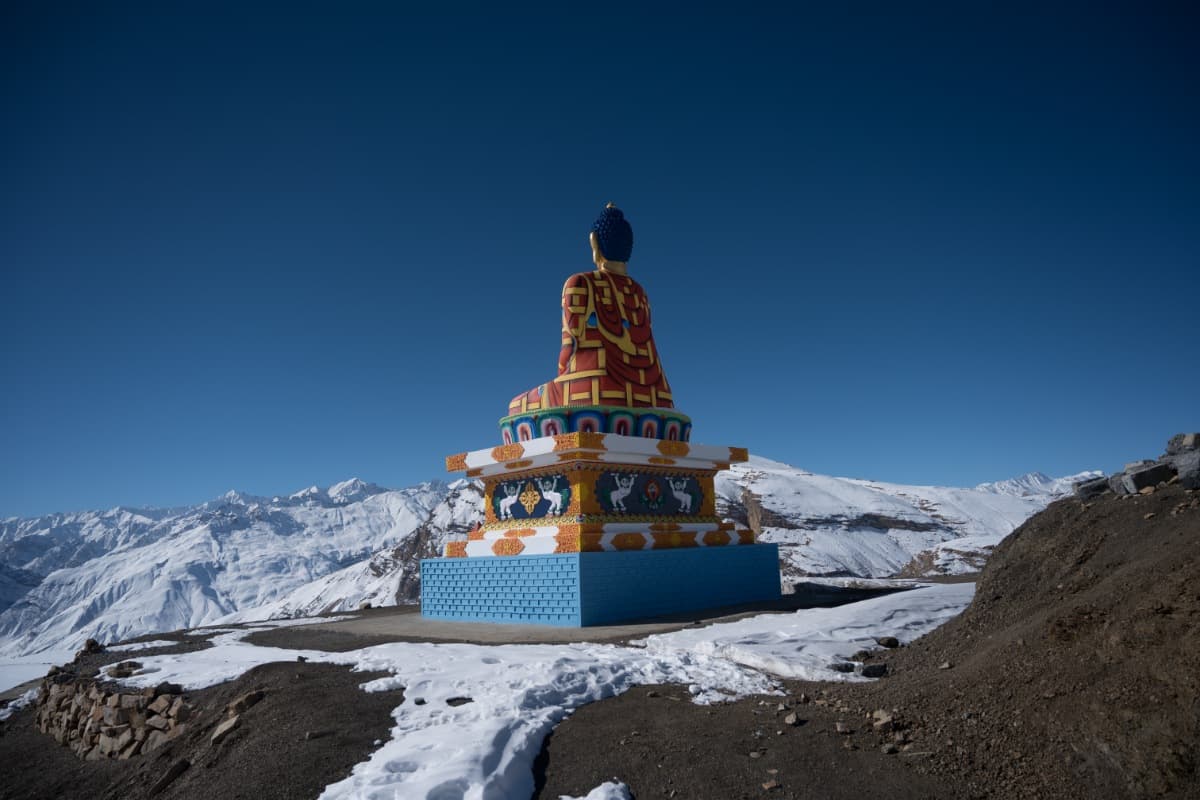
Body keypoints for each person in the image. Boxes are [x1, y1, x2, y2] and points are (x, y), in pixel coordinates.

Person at [507, 204, 675, 416]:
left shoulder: (579, 283)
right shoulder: (640, 292)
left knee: (516, 406)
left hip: (592, 389)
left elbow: (568, 354)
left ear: (594, 244)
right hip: (655, 395)